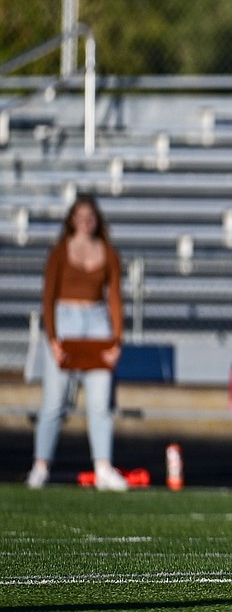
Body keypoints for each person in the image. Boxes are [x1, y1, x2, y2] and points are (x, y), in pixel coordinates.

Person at [27, 193, 127, 491]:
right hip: (65, 321)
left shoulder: (108, 253)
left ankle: (103, 468)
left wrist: (116, 340)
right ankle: (40, 466)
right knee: (53, 402)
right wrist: (53, 338)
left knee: (99, 403)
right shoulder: (59, 252)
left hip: (97, 323)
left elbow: (114, 298)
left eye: (90, 216)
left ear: (97, 221)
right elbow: (48, 296)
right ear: (71, 219)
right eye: (80, 216)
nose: (85, 221)